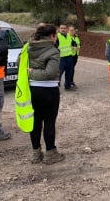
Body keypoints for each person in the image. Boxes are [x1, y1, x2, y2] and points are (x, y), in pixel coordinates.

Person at [26, 24, 65, 164]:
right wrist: (33, 73)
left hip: (31, 90)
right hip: (48, 91)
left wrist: (30, 73)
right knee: (49, 122)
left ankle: (36, 154)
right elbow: (50, 73)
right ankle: (50, 154)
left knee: (35, 122)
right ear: (52, 36)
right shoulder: (53, 51)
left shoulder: (28, 47)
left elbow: (20, 63)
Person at [56, 24, 75, 91]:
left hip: (69, 57)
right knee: (59, 73)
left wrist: (74, 46)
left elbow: (73, 43)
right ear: (59, 29)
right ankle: (56, 87)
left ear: (67, 29)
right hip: (61, 58)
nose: (63, 29)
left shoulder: (69, 36)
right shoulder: (57, 37)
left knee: (69, 72)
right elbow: (54, 46)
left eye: (64, 28)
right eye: (61, 28)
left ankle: (68, 86)